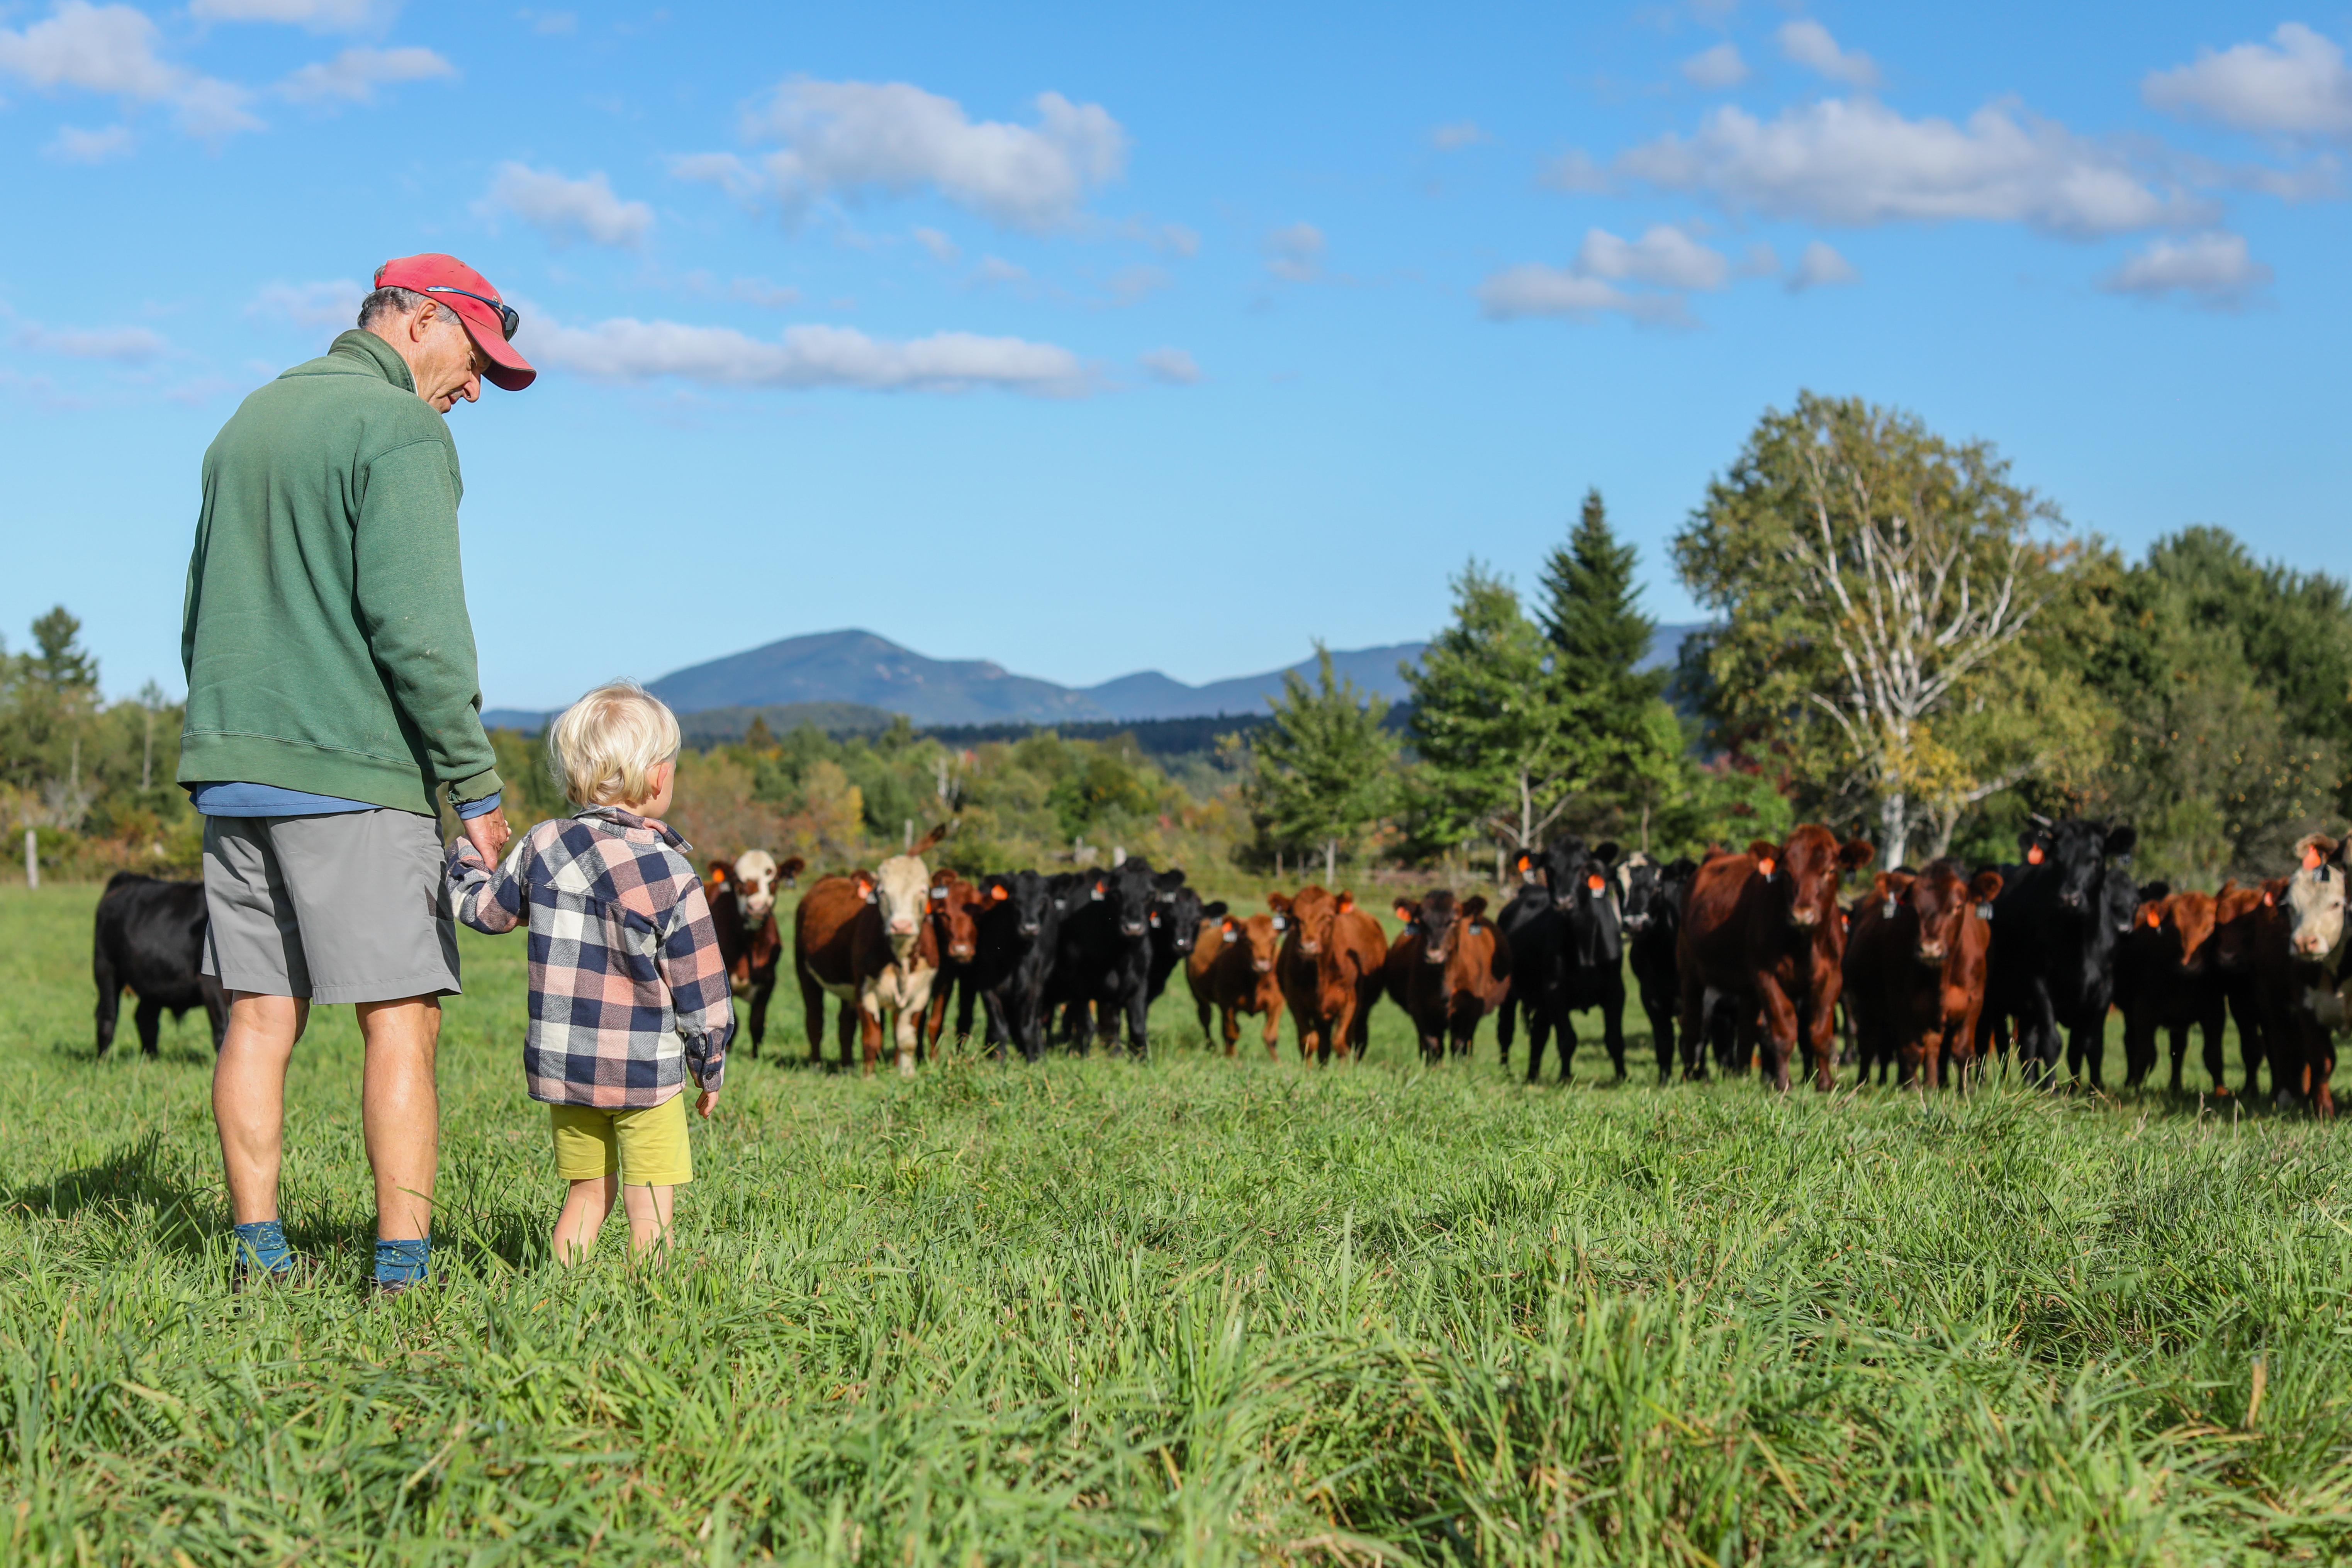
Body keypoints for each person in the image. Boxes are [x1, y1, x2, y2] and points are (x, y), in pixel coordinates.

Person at [178, 254, 536, 1294]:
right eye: (474, 359)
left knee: (258, 1013)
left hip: (234, 765)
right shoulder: (400, 431)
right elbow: (419, 631)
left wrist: (229, 735)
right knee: (402, 1015)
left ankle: (260, 1258)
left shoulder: (248, 419)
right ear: (420, 320)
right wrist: (472, 784)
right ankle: (402, 1275)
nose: (473, 388)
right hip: (353, 772)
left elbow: (199, 614)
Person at [446, 682, 732, 1265]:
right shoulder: (670, 873)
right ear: (657, 778)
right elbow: (702, 991)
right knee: (650, 1207)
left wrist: (465, 862)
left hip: (565, 1070)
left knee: (585, 1196)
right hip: (645, 1077)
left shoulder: (543, 845)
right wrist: (710, 1064)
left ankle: (562, 1296)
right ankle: (649, 1308)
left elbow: (486, 914)